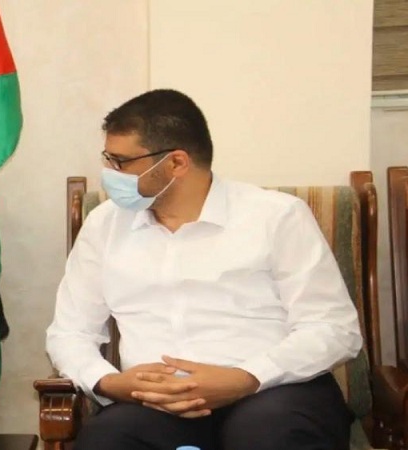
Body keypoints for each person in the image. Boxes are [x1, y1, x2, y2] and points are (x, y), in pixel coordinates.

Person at [46, 90, 361, 450]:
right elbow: (69, 332)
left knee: (266, 435)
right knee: (108, 439)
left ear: (176, 163)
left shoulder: (276, 216)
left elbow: (334, 329)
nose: (109, 174)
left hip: (274, 392)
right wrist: (109, 382)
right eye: (108, 159)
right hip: (156, 405)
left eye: (120, 162)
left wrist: (246, 377)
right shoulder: (104, 225)